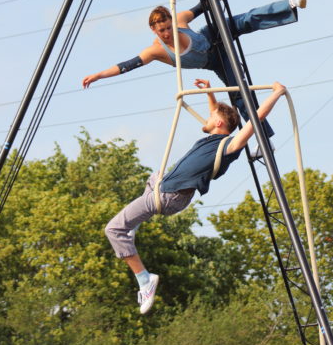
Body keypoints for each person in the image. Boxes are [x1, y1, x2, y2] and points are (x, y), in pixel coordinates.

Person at [105, 78, 287, 314]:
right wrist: (210, 92)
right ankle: (133, 227)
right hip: (163, 187)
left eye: (211, 117)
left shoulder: (229, 146)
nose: (207, 117)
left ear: (218, 123)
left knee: (113, 229)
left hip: (170, 196)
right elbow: (216, 113)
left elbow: (255, 119)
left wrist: (277, 93)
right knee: (155, 176)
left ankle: (145, 280)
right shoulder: (212, 139)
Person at [83, 0, 306, 137]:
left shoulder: (180, 19)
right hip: (216, 61)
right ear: (153, 30)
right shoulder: (156, 51)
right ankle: (264, 138)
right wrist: (98, 75)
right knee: (240, 96)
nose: (167, 33)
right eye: (162, 30)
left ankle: (289, 5)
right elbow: (126, 65)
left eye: (169, 27)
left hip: (214, 34)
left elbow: (203, 5)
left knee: (247, 20)